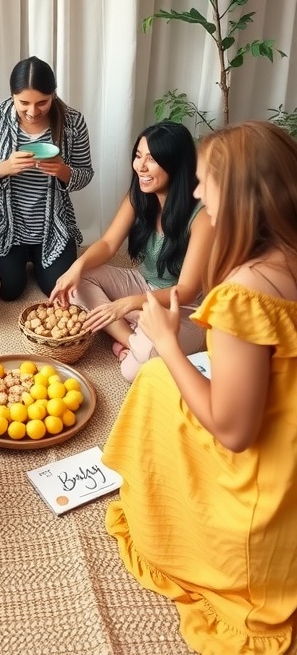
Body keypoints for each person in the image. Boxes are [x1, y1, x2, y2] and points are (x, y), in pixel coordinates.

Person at [103, 121, 297, 654]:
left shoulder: (246, 292)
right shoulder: (288, 257)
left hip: (267, 477)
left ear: (236, 196)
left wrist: (166, 341)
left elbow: (234, 432)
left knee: (152, 382)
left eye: (205, 182)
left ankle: (162, 516)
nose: (194, 192)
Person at [51, 121, 211, 381]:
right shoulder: (139, 194)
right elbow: (108, 244)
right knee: (81, 282)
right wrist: (75, 268)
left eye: (152, 159)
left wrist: (126, 304)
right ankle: (130, 338)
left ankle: (134, 336)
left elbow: (188, 290)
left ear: (175, 164)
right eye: (138, 156)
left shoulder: (201, 215)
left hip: (183, 308)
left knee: (132, 371)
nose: (141, 167)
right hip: (142, 285)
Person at [0, 56, 94, 300]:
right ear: (12, 95)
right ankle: (21, 262)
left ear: (54, 94)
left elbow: (85, 174)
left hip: (52, 225)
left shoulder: (73, 122)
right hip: (0, 224)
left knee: (56, 288)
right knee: (8, 290)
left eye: (42, 102)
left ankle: (39, 261)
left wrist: (63, 171)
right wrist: (3, 168)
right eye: (23, 102)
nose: (32, 111)